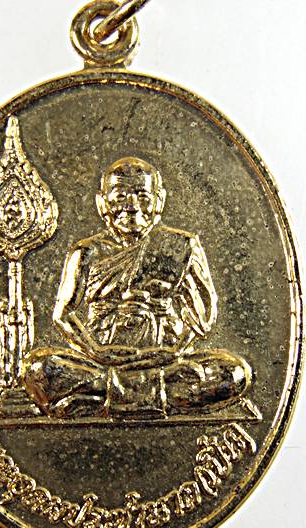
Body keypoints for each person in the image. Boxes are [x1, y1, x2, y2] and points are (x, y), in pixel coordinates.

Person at [22, 157, 252, 418]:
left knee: (234, 373)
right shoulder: (87, 251)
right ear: (102, 202)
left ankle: (100, 395)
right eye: (120, 197)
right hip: (103, 360)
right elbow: (63, 315)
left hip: (164, 359)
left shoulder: (181, 246)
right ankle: (155, 396)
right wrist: (97, 351)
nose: (131, 207)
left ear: (159, 201)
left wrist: (174, 351)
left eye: (142, 196)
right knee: (38, 369)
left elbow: (200, 318)